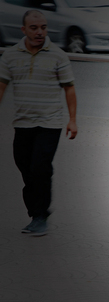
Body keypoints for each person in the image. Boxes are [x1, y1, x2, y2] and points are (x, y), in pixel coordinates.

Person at [0, 10, 77, 236]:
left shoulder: (58, 56)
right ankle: (37, 208)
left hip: (50, 123)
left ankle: (39, 215)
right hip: (22, 123)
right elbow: (2, 86)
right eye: (34, 28)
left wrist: (72, 120)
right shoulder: (11, 56)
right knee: (25, 167)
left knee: (39, 168)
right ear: (23, 30)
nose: (40, 32)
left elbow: (69, 89)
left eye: (43, 27)